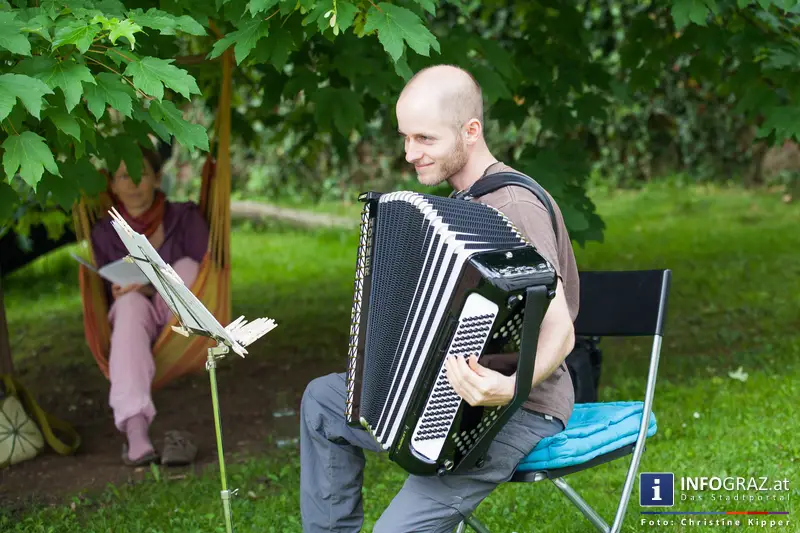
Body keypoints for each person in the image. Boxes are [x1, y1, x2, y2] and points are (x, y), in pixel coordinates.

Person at [299, 64, 580, 532]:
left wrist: (510, 389)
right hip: (446, 392)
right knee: (324, 400)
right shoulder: (458, 205)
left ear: (471, 132)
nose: (410, 152)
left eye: (425, 139)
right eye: (405, 137)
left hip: (518, 409)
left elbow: (559, 329)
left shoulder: (512, 206)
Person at [90, 144, 208, 466]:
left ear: (157, 178)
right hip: (137, 317)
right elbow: (107, 286)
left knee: (185, 267)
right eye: (124, 176)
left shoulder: (185, 217)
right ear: (112, 185)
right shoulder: (104, 233)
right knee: (127, 306)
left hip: (182, 317)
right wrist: (123, 288)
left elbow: (204, 272)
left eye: (142, 173)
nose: (134, 183)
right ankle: (136, 431)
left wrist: (152, 281)